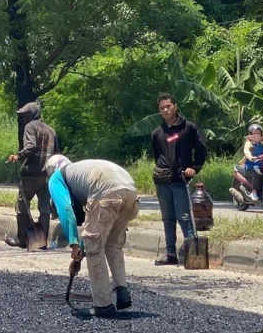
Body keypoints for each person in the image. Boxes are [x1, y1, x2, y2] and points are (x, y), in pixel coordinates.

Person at [45, 154, 141, 318]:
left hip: (106, 192)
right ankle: (121, 289)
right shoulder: (78, 171)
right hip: (131, 193)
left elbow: (66, 211)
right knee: (112, 245)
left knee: (95, 250)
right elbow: (93, 229)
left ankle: (103, 306)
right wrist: (80, 254)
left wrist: (74, 244)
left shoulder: (56, 178)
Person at [149, 94, 207, 266]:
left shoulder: (188, 128)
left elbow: (201, 149)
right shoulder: (157, 133)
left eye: (168, 106)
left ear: (175, 106)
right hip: (163, 181)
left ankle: (192, 254)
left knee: (184, 217)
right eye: (162, 108)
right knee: (168, 218)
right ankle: (170, 254)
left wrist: (194, 167)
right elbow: (157, 155)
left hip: (181, 179)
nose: (166, 110)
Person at [4, 102, 60, 248]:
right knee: (44, 209)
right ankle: (43, 242)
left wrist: (18, 156)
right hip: (46, 176)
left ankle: (21, 240)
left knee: (22, 207)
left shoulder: (30, 127)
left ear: (31, 114)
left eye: (24, 115)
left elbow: (31, 146)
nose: (23, 118)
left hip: (30, 174)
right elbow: (57, 154)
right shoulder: (51, 130)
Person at [243, 123, 263, 200]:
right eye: (254, 133)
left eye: (258, 133)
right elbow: (246, 151)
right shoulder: (248, 143)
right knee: (257, 171)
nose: (257, 135)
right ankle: (253, 192)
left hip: (262, 165)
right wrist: (250, 157)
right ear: (251, 134)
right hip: (251, 166)